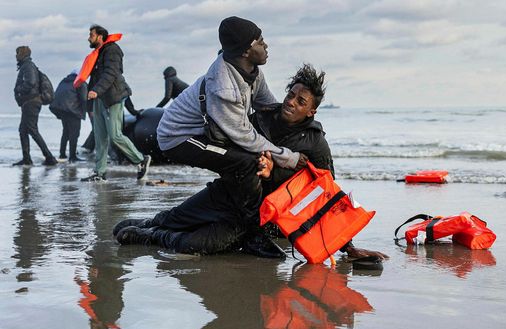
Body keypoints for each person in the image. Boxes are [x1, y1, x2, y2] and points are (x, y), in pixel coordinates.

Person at [114, 64, 387, 260]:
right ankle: (151, 223)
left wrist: (348, 247)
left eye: (300, 100)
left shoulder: (315, 143)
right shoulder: (260, 119)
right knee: (175, 217)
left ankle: (149, 236)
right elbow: (231, 155)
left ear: (311, 110)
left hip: (257, 214)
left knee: (197, 244)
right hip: (227, 192)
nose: (291, 102)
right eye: (290, 94)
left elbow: (328, 195)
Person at [156, 16, 306, 232]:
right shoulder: (223, 87)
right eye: (260, 41)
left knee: (243, 168)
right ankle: (253, 231)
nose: (266, 45)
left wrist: (304, 125)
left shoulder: (253, 72)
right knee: (246, 164)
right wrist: (288, 157)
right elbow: (244, 136)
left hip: (210, 131)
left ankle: (186, 218)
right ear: (246, 50)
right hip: (178, 138)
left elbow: (270, 107)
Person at [80, 24, 151, 182]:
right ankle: (100, 173)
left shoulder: (112, 50)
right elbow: (94, 79)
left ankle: (141, 160)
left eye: (91, 35)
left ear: (100, 36)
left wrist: (97, 90)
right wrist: (90, 104)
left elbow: (110, 73)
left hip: (113, 96)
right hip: (98, 99)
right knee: (100, 137)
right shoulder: (97, 54)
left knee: (115, 135)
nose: (88, 38)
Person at [13, 46, 58, 166]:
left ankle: (49, 157)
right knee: (23, 130)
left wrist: (18, 89)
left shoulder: (28, 66)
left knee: (32, 130)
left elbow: (31, 82)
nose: (16, 56)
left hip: (31, 102)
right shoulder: (26, 65)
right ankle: (26, 159)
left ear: (22, 54)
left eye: (17, 53)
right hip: (30, 102)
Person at [49, 69, 88, 162]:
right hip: (73, 110)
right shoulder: (80, 82)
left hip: (62, 109)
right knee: (74, 134)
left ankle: (62, 154)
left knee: (66, 132)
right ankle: (72, 156)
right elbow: (83, 99)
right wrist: (85, 111)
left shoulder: (64, 81)